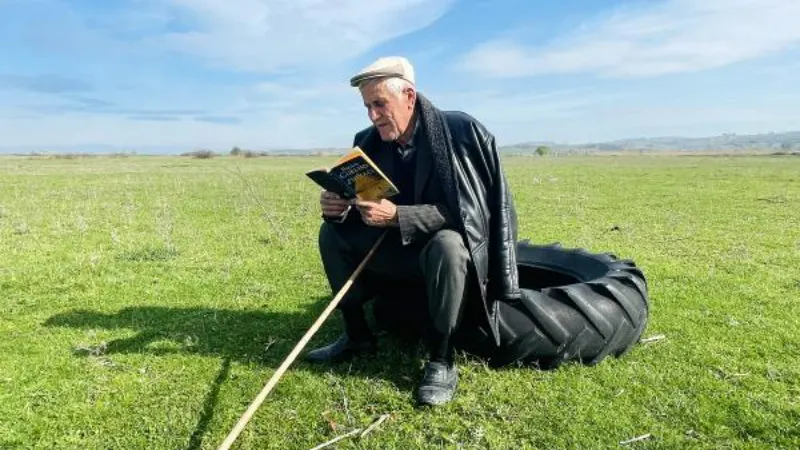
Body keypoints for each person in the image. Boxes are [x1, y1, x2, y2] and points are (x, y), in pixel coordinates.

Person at [306, 56, 520, 407]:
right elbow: (365, 201)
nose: (373, 116)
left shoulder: (461, 132)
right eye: (367, 107)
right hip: (393, 249)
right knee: (332, 234)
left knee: (448, 245)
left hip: (444, 254)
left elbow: (469, 214)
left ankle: (441, 358)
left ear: (409, 96)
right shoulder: (367, 141)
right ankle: (357, 335)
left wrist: (398, 216)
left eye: (379, 104)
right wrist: (339, 210)